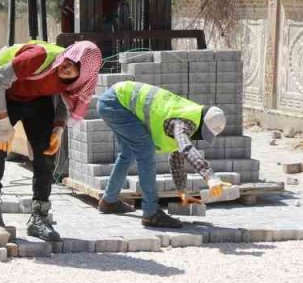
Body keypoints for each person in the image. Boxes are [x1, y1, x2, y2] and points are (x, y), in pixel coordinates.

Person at [0, 40, 102, 240]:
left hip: (38, 102)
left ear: (83, 75)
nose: (67, 66)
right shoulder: (37, 57)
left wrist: (58, 129)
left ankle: (39, 217)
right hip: (7, 97)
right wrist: (3, 123)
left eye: (75, 67)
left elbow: (66, 98)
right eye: (69, 60)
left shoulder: (76, 83)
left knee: (46, 155)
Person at [96, 81, 230, 229]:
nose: (200, 137)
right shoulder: (183, 122)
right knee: (145, 151)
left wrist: (182, 191)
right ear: (202, 123)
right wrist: (209, 175)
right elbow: (186, 148)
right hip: (117, 102)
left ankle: (109, 201)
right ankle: (151, 213)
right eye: (203, 133)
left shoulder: (188, 113)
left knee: (128, 153)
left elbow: (177, 156)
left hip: (113, 100)